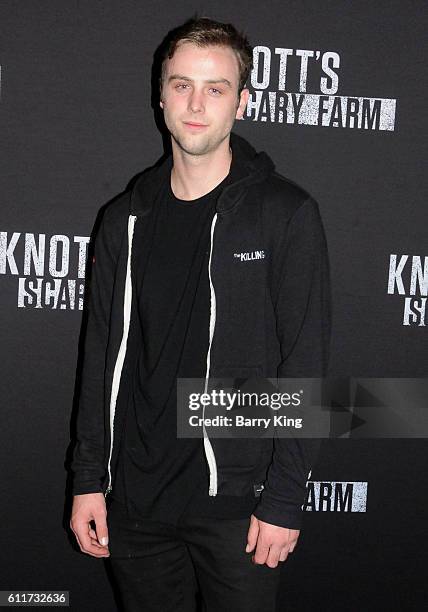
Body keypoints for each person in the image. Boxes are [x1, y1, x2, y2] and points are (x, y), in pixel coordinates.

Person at [69, 15, 331, 612]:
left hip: (237, 504)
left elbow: (306, 364)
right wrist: (89, 477)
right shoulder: (123, 218)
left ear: (242, 101)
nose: (195, 103)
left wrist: (284, 498)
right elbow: (100, 355)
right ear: (160, 94)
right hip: (134, 500)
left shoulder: (284, 212)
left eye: (215, 88)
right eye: (181, 84)